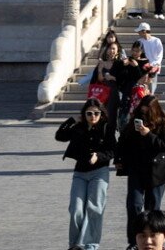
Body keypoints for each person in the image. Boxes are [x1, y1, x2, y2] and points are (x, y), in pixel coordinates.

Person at [57, 98, 117, 250]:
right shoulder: (79, 127)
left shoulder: (107, 128)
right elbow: (60, 136)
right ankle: (74, 245)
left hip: (99, 172)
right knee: (75, 209)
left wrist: (99, 156)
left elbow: (112, 151)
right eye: (89, 113)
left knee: (94, 208)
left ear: (101, 114)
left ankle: (90, 245)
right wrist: (72, 120)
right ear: (84, 114)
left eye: (96, 113)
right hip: (80, 173)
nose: (93, 116)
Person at [119, 95, 165, 244]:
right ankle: (134, 242)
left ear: (154, 111)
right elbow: (123, 142)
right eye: (142, 111)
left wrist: (148, 134)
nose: (144, 114)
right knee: (134, 205)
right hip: (137, 169)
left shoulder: (164, 124)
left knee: (152, 209)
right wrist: (119, 160)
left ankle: (152, 241)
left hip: (156, 173)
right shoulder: (134, 123)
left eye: (147, 112)